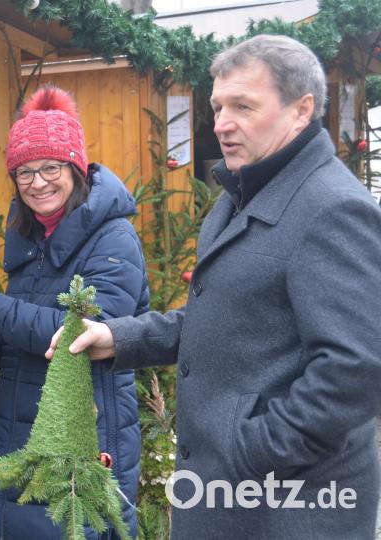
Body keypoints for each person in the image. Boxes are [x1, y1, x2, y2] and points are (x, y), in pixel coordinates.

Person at [49, 35, 381, 539]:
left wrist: (252, 449)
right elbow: (224, 317)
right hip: (229, 498)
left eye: (243, 106)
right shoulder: (241, 194)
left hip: (283, 511)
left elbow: (356, 367)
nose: (222, 123)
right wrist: (121, 337)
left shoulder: (333, 208)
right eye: (218, 106)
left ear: (301, 110)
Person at [0, 86, 149, 539]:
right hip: (17, 426)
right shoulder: (29, 237)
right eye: (24, 172)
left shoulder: (113, 239)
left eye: (51, 168)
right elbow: (27, 321)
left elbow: (80, 337)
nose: (37, 182)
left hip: (82, 434)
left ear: (75, 169)